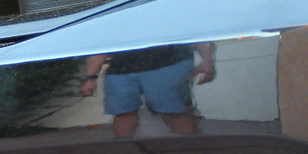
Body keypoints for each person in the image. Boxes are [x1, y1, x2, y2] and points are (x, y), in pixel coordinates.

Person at [79, 43, 216, 136]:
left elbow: (194, 29)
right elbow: (103, 42)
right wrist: (89, 77)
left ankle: (191, 152)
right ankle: (126, 152)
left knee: (173, 112)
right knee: (123, 113)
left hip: (169, 61)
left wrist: (208, 60)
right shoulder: (114, 8)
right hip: (121, 67)